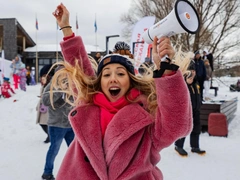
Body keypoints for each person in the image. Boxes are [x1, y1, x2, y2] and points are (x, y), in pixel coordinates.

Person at [52, 3, 192, 180]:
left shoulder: (146, 117)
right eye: (106, 74)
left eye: (120, 73)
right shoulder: (88, 104)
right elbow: (79, 68)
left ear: (130, 80)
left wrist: (166, 69)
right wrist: (65, 28)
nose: (113, 78)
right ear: (100, 82)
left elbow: (177, 125)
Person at [41, 65, 75, 180]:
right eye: (62, 74)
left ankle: (77, 171)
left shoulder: (72, 85)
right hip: (56, 125)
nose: (65, 77)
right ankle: (47, 173)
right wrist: (59, 90)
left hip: (70, 125)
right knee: (54, 149)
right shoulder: (52, 85)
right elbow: (45, 101)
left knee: (75, 150)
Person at [175, 60, 206, 157]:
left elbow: (199, 95)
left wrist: (200, 103)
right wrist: (187, 83)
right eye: (190, 71)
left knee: (196, 128)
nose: (193, 73)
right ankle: (178, 145)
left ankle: (195, 146)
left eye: (194, 71)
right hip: (185, 111)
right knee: (184, 129)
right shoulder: (182, 83)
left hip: (196, 110)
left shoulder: (196, 83)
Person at [36, 64, 55, 144]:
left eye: (43, 76)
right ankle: (50, 136)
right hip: (43, 106)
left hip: (47, 106)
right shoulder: (45, 83)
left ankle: (50, 136)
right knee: (43, 123)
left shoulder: (51, 83)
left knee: (45, 123)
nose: (41, 78)